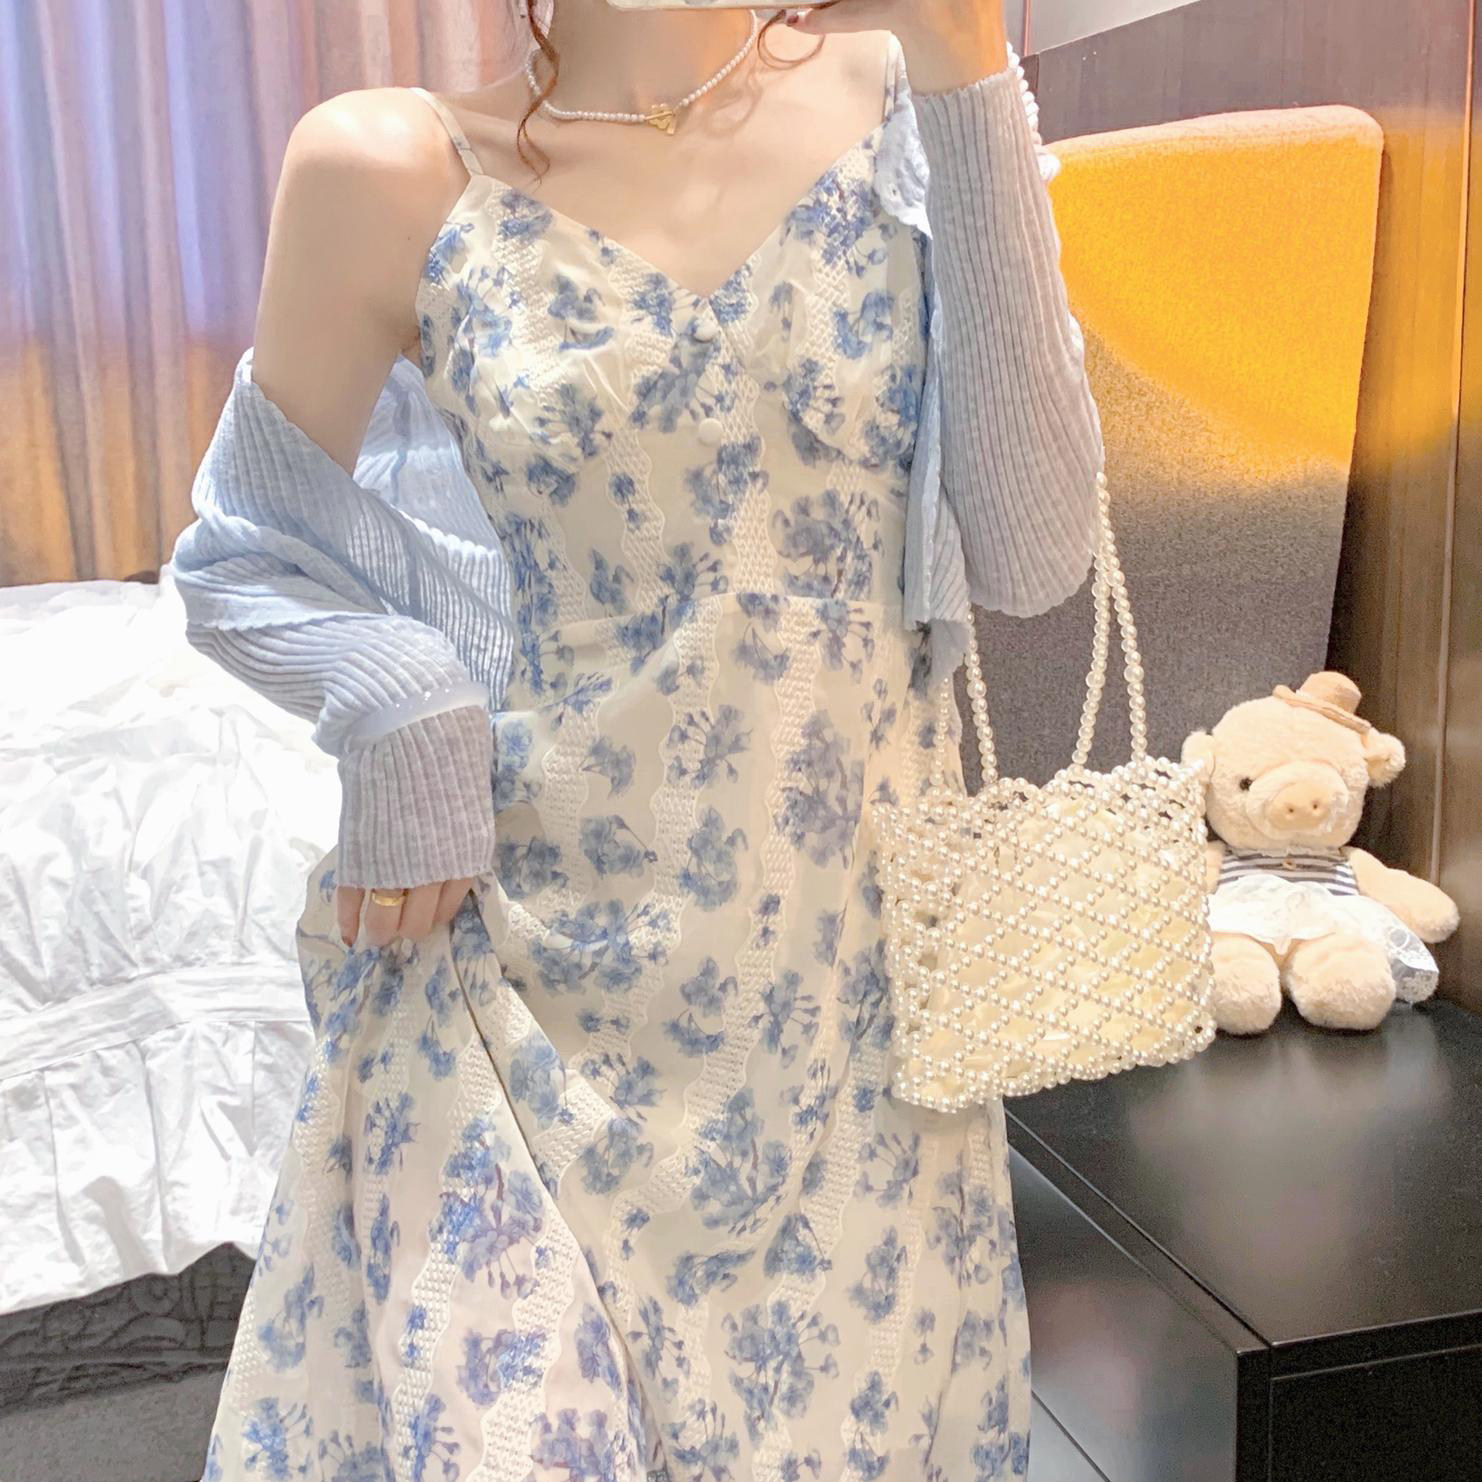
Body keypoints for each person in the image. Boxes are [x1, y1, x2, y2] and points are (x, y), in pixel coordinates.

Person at [178, 2, 1106, 1478]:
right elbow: (242, 553)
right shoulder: (389, 169)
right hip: (525, 1018)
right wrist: (397, 688)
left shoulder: (909, 102)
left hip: (860, 1045)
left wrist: (963, 54)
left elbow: (1036, 550)